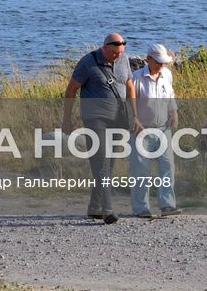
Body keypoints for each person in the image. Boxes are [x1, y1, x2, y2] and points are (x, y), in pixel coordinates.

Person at [61, 33, 133, 224]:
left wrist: (136, 116)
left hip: (118, 118)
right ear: (105, 47)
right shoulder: (87, 63)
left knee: (109, 164)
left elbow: (129, 85)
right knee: (100, 161)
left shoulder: (124, 60)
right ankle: (107, 209)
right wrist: (66, 119)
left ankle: (94, 207)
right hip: (95, 119)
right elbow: (71, 90)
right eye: (114, 53)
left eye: (120, 53)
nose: (117, 57)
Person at [128, 43, 180, 219]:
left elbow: (170, 95)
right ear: (148, 59)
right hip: (141, 130)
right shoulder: (136, 78)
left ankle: (168, 205)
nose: (161, 65)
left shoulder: (166, 75)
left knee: (167, 167)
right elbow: (129, 103)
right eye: (158, 61)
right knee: (141, 169)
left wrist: (174, 113)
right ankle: (140, 208)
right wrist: (133, 120)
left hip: (163, 128)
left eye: (163, 62)